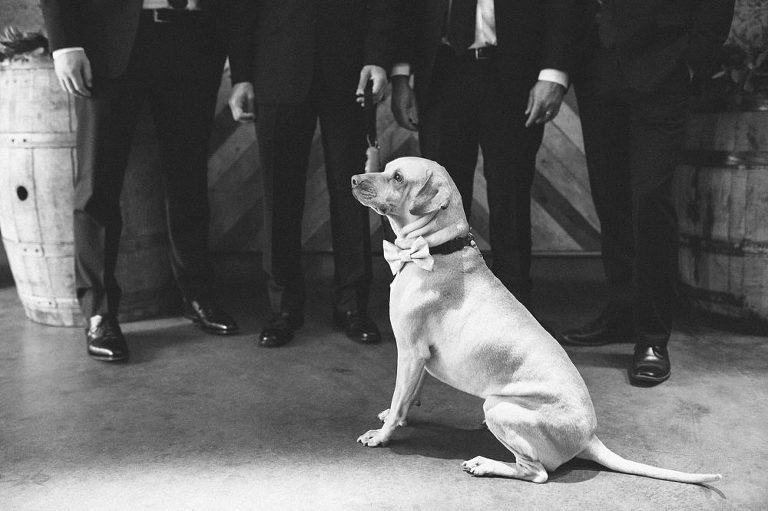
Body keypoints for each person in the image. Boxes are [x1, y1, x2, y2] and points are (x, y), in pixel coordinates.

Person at [41, 0, 240, 363]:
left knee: (188, 176)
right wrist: (64, 44)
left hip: (193, 36)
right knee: (98, 181)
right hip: (108, 42)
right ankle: (99, 311)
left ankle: (197, 293)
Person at [559, 0, 735, 385]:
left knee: (650, 201)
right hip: (597, 64)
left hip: (664, 63)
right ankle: (622, 313)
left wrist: (694, 59)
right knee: (611, 199)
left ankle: (653, 336)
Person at [388, 0, 592, 308]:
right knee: (440, 203)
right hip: (441, 73)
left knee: (511, 194)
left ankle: (514, 309)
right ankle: (449, 307)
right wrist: (400, 75)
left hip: (512, 70)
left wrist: (554, 73)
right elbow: (408, 7)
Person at [227, 0, 396, 347]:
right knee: (280, 196)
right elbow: (242, 8)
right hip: (276, 67)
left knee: (352, 194)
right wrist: (241, 75)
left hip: (349, 69)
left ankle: (352, 304)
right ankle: (283, 307)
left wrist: (378, 57)